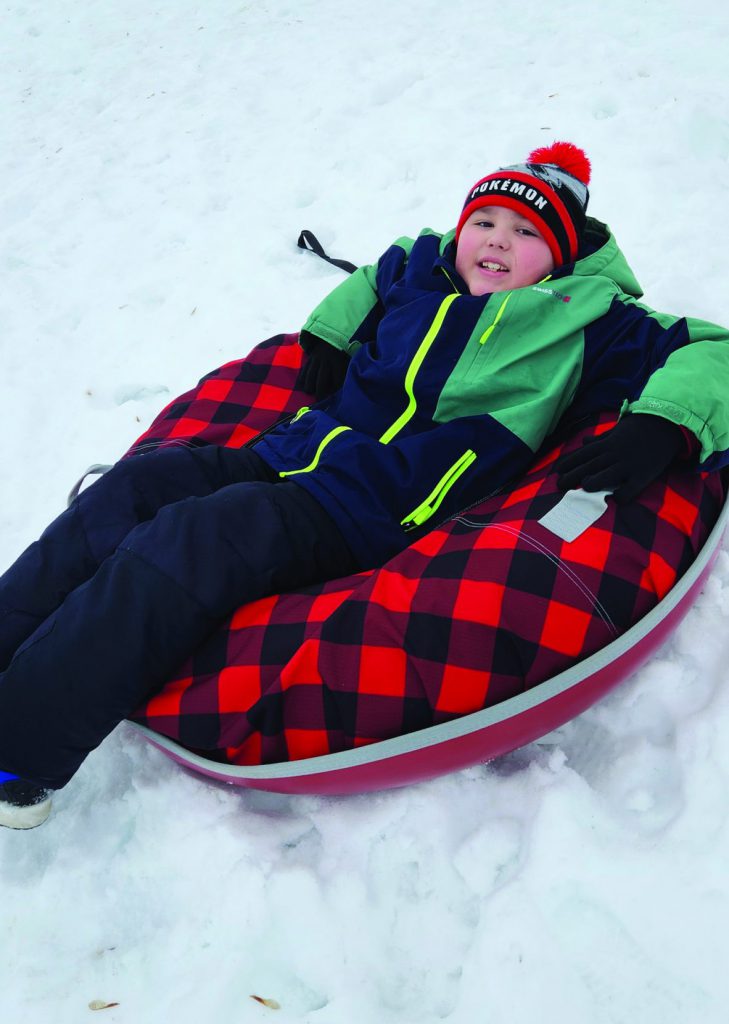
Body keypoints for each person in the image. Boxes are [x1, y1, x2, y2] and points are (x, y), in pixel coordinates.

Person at [2, 141, 729, 829]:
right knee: (138, 487)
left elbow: (712, 352)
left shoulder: (589, 322)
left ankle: (18, 753)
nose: (497, 240)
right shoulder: (423, 268)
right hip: (288, 449)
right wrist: (327, 331)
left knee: (196, 536)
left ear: (561, 258)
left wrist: (665, 424)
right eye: (483, 221)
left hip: (372, 506)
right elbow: (373, 276)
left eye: (525, 232)